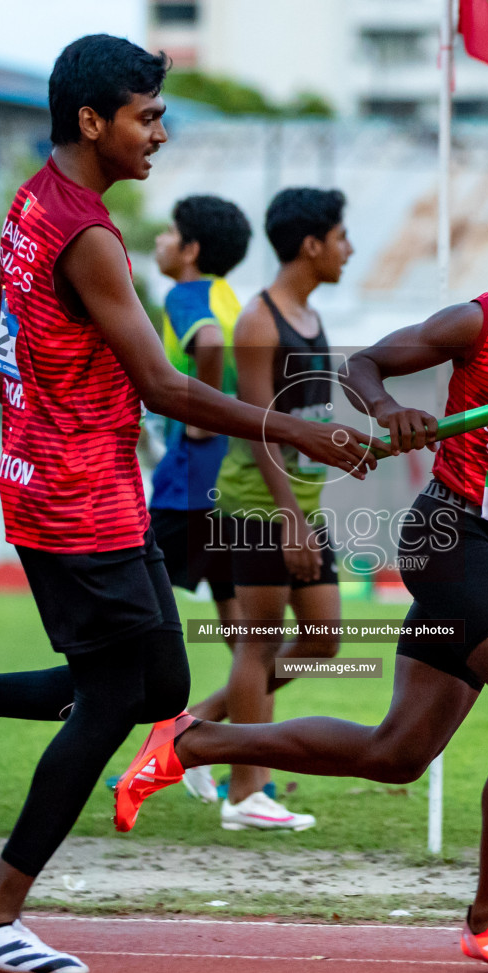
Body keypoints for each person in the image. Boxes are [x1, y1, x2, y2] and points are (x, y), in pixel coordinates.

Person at [0, 34, 380, 973]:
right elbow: (166, 387)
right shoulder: (90, 236)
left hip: (94, 489)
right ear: (93, 121)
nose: (161, 133)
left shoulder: (37, 202)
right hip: (73, 503)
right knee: (110, 701)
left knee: (162, 689)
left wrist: (28, 411)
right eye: (147, 116)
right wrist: (296, 432)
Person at [114, 178, 488, 973]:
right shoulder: (480, 322)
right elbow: (366, 365)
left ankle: (195, 740)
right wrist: (389, 411)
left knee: (397, 753)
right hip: (445, 536)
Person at [177, 188, 354, 829]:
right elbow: (257, 428)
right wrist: (289, 519)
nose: (349, 249)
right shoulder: (259, 320)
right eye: (340, 237)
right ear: (311, 245)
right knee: (258, 643)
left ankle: (195, 734)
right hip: (258, 508)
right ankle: (247, 791)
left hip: (300, 505)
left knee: (323, 639)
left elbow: (305, 417)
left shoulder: (308, 315)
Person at [146, 195, 249, 657]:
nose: (158, 240)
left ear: (190, 250)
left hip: (190, 478)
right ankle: (253, 724)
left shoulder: (185, 295)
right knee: (238, 622)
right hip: (232, 477)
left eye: (168, 231)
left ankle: (128, 698)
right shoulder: (231, 299)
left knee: (137, 590)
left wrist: (199, 423)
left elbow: (207, 342)